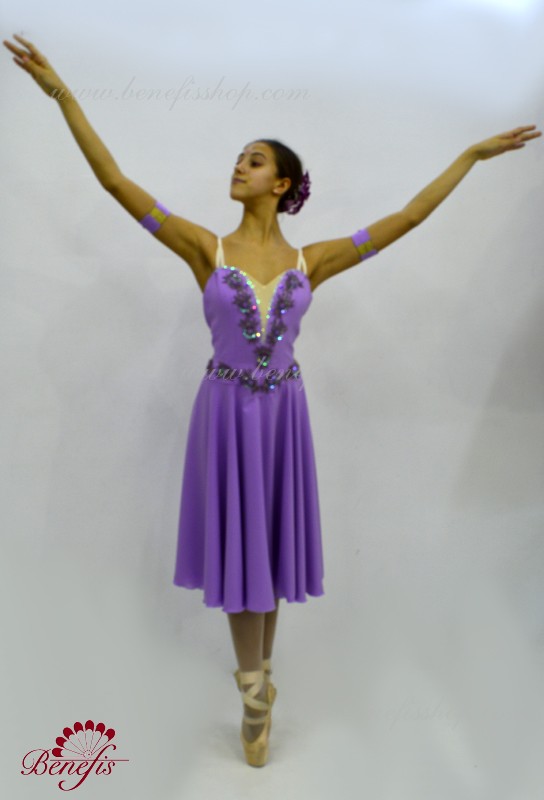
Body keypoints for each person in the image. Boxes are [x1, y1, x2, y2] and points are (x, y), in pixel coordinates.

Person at [4, 33, 541, 768]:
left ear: (282, 183)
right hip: (225, 415)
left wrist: (470, 157)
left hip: (284, 416)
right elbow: (114, 181)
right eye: (238, 158)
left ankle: (258, 683)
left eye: (253, 160)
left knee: (273, 546)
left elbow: (410, 217)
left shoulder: (311, 261)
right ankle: (253, 689)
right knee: (240, 549)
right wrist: (62, 94)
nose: (239, 166)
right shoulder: (204, 248)